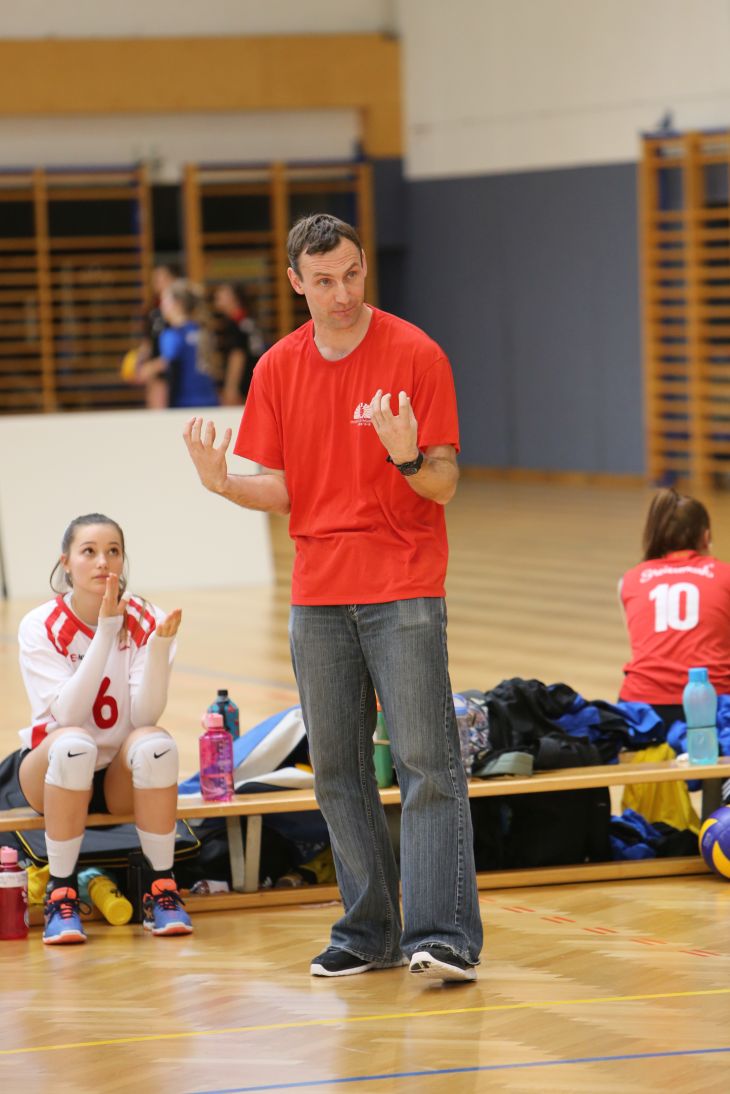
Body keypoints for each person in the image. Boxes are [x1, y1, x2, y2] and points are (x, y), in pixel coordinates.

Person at [184, 213, 482, 983]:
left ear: (363, 267)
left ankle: (443, 935)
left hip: (403, 587)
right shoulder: (278, 368)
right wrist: (223, 485)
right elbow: (283, 488)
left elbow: (444, 482)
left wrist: (407, 457)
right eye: (324, 281)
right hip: (318, 595)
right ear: (296, 282)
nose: (342, 292)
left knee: (426, 763)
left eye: (352, 274)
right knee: (338, 772)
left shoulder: (417, 353)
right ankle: (368, 932)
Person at [14, 513, 193, 944]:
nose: (102, 562)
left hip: (117, 777)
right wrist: (107, 631)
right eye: (89, 551)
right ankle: (61, 894)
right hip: (49, 771)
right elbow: (69, 715)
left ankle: (160, 889)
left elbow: (145, 716)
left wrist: (159, 649)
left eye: (113, 551)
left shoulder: (147, 617)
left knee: (157, 745)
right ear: (66, 562)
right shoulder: (41, 625)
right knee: (74, 744)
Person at [619, 487, 730, 727]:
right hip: (714, 705)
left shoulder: (630, 579)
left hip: (642, 710)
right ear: (706, 537)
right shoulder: (725, 575)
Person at [136, 279, 219, 409]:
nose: (161, 305)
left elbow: (166, 361)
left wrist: (145, 370)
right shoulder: (202, 330)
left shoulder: (173, 334)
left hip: (185, 403)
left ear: (177, 303)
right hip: (210, 400)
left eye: (165, 300)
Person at [213, 282, 266, 406]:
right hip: (257, 381)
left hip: (244, 385)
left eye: (222, 292)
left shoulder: (235, 324)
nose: (217, 295)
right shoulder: (250, 320)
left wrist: (231, 388)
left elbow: (238, 355)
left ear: (234, 297)